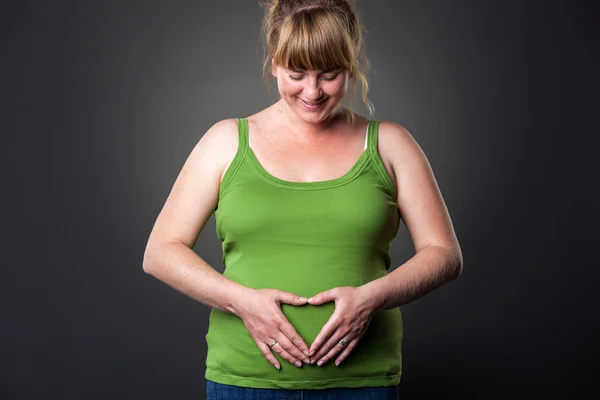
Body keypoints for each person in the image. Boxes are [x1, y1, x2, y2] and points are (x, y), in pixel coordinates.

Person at [143, 0, 463, 398]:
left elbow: (444, 254)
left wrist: (371, 298)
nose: (312, 92)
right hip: (245, 382)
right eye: (297, 74)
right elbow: (160, 251)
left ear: (351, 67)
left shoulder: (390, 144)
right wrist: (242, 302)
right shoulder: (225, 141)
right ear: (274, 62)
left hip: (362, 382)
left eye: (330, 75)